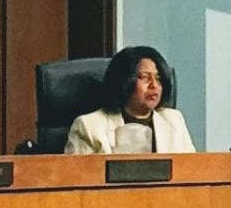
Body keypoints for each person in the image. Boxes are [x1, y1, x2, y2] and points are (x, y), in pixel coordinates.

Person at [65, 45, 195, 154]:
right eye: (144, 77)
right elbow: (78, 178)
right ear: (124, 81)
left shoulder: (174, 120)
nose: (154, 85)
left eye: (159, 78)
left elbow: (192, 174)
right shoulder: (89, 126)